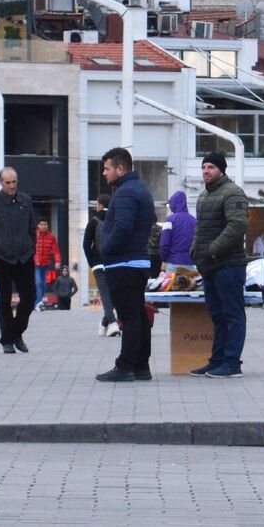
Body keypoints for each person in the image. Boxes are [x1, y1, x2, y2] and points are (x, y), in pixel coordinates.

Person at [93, 148, 158, 382]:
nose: (104, 173)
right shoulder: (137, 189)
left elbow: (122, 228)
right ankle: (141, 366)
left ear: (120, 168)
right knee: (138, 314)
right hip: (135, 261)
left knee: (129, 316)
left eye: (107, 168)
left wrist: (105, 249)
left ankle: (126, 365)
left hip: (124, 263)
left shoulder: (126, 193)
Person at [190, 152, 250, 378]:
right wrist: (194, 250)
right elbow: (200, 228)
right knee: (217, 315)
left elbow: (237, 225)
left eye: (211, 167)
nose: (206, 171)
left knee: (232, 314)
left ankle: (232, 362)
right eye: (204, 167)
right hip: (209, 265)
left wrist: (213, 250)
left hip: (228, 265)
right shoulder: (204, 196)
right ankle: (217, 361)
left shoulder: (233, 193)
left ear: (222, 170)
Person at [0, 167, 38, 354]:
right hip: (2, 257)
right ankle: (8, 341)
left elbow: (32, 227)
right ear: (0, 183)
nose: (12, 186)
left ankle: (14, 333)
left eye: (14, 182)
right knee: (4, 300)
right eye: (8, 182)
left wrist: (31, 246)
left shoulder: (26, 200)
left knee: (29, 297)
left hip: (25, 256)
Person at [82, 193, 120, 337]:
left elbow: (86, 244)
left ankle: (109, 323)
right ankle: (110, 322)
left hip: (98, 263)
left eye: (97, 204)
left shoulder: (93, 222)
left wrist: (91, 262)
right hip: (114, 263)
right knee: (113, 294)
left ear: (101, 205)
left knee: (105, 293)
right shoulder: (116, 221)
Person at [157, 190, 196, 271]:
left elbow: (164, 244)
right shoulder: (194, 221)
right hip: (191, 263)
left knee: (173, 284)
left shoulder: (169, 220)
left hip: (173, 262)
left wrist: (164, 259)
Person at [33, 219, 62, 308]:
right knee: (38, 282)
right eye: (41, 224)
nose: (43, 226)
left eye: (45, 224)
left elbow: (56, 250)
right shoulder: (34, 236)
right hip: (35, 263)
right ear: (38, 225)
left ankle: (38, 302)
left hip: (45, 264)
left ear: (47, 225)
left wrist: (57, 261)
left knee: (43, 284)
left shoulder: (51, 237)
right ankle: (39, 302)